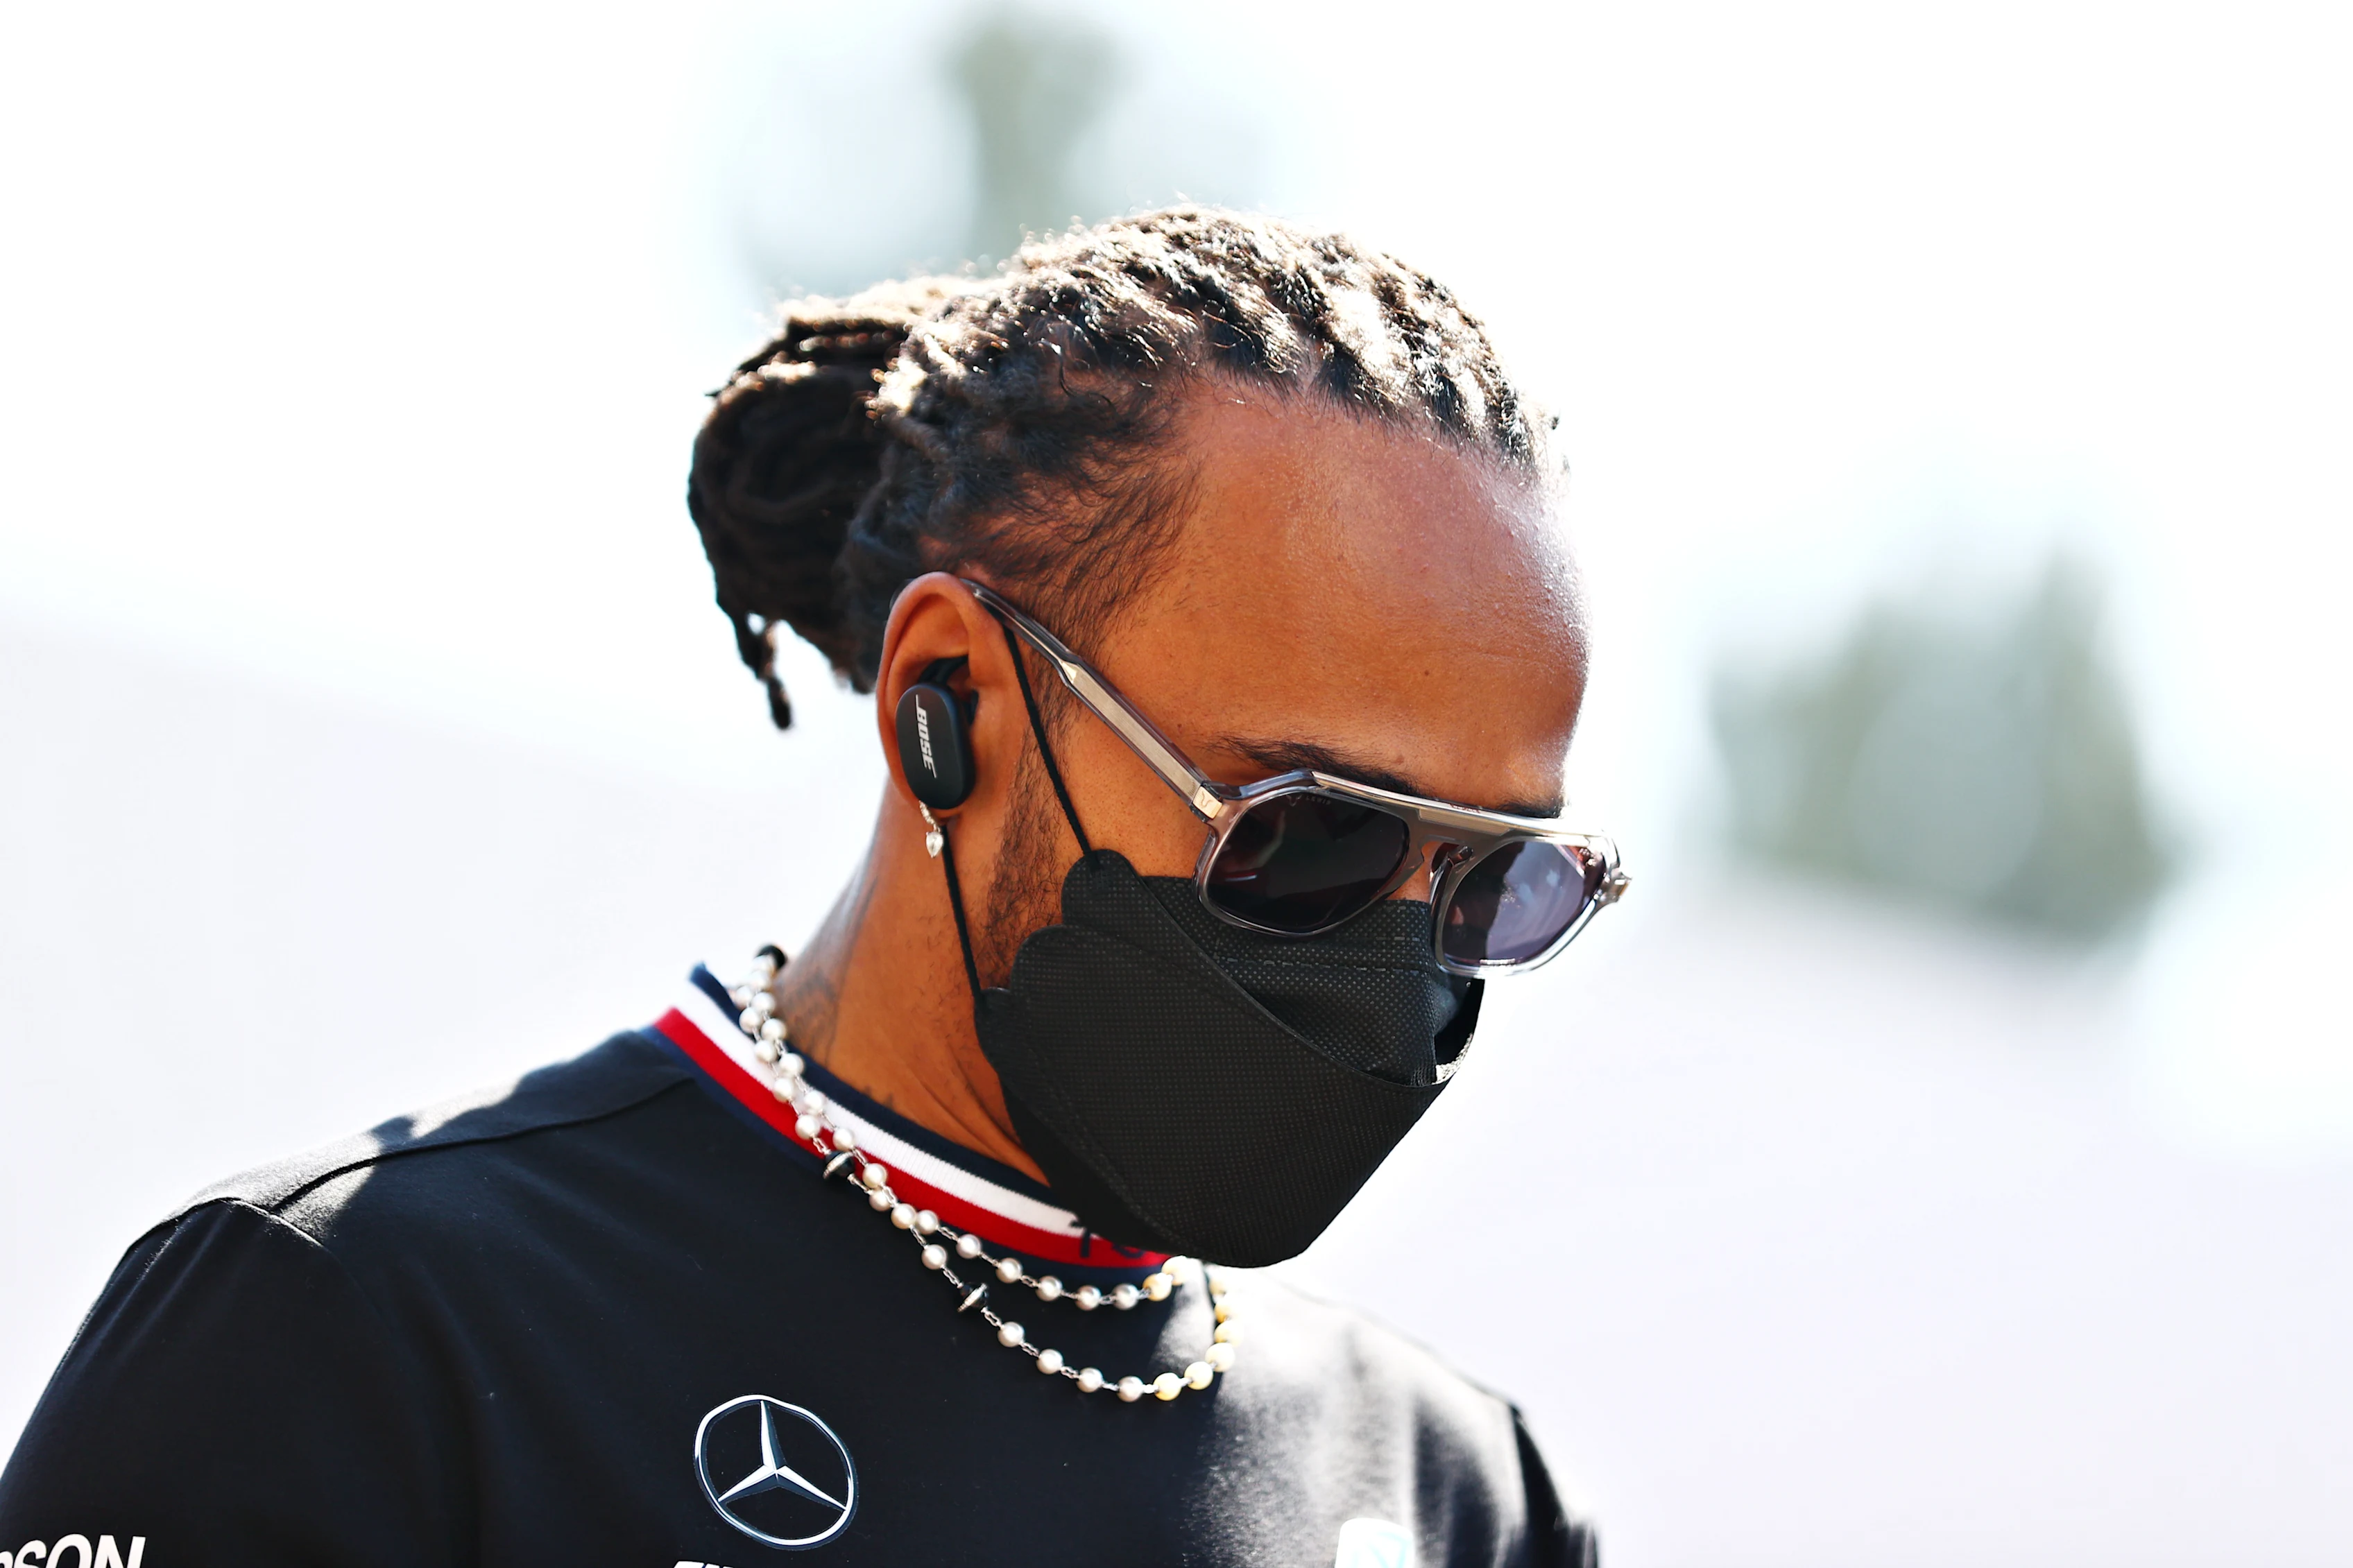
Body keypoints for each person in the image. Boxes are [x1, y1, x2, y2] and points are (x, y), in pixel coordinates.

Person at [0, 207, 1624, 1566]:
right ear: (955, 703)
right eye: (1305, 833)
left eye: (1491, 879)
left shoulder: (1456, 1497)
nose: (1400, 960)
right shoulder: (362, 1323)